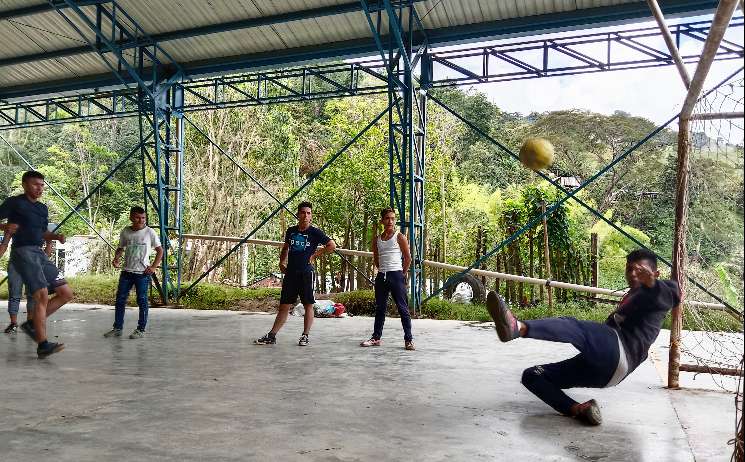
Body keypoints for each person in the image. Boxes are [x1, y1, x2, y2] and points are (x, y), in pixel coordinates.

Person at [487, 248, 680, 425]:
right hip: (610, 372)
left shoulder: (660, 292)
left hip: (620, 351)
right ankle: (577, 409)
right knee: (533, 376)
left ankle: (518, 327)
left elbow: (673, 294)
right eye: (629, 269)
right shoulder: (631, 297)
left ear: (655, 273)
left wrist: (652, 284)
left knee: (574, 326)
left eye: (640, 270)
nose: (633, 274)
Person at [0, 171, 74, 358]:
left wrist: (55, 236)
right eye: (35, 184)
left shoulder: (42, 208)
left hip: (38, 252)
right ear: (25, 184)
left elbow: (42, 233)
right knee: (41, 295)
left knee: (66, 293)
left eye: (42, 185)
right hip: (22, 251)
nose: (40, 188)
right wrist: (4, 227)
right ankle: (42, 344)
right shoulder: (15, 202)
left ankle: (33, 324)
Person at [255, 201, 335, 346]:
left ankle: (305, 335)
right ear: (298, 214)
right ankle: (272, 335)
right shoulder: (291, 231)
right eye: (303, 212)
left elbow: (331, 245)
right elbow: (285, 248)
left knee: (308, 304)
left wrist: (315, 255)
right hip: (291, 273)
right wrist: (281, 262)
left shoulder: (315, 232)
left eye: (308, 213)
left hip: (306, 273)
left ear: (311, 216)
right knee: (284, 305)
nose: (305, 215)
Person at [103, 206, 163, 340]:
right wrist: (116, 258)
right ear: (131, 217)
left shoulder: (149, 232)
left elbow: (160, 251)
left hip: (142, 273)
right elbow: (120, 248)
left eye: (143, 218)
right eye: (137, 217)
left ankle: (141, 329)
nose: (141, 220)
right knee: (120, 300)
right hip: (126, 271)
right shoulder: (126, 231)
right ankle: (117, 328)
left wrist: (153, 267)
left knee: (142, 301)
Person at [360, 207, 414, 350]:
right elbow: (376, 258)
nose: (390, 221)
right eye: (387, 218)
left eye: (392, 218)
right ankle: (376, 338)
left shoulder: (399, 237)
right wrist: (381, 270)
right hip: (382, 276)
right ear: (382, 221)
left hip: (396, 275)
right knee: (380, 309)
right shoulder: (377, 239)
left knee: (403, 309)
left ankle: (408, 340)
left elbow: (408, 258)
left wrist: (401, 274)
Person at [1, 226, 53, 335]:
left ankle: (30, 323)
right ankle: (13, 324)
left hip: (33, 265)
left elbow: (48, 245)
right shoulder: (15, 224)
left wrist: (43, 261)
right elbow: (4, 245)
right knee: (14, 293)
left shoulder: (40, 225)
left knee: (33, 295)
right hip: (16, 263)